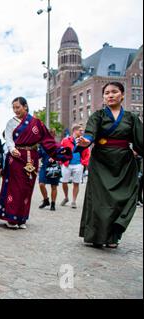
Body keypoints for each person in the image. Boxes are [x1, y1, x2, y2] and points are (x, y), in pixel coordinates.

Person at [77, 82, 143, 248]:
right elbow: (90, 133)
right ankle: (98, 236)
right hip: (101, 161)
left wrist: (137, 149)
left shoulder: (131, 118)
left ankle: (114, 235)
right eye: (107, 93)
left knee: (122, 199)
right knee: (100, 201)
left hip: (124, 163)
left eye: (114, 92)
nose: (110, 95)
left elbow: (140, 140)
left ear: (122, 94)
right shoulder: (97, 116)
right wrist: (86, 141)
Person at [0, 97, 71, 230]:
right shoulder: (11, 123)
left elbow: (47, 140)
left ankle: (21, 218)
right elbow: (8, 138)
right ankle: (11, 217)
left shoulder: (36, 123)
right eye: (13, 108)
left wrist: (59, 151)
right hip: (16, 158)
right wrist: (12, 149)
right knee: (15, 187)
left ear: (25, 106)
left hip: (32, 158)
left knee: (27, 188)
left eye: (18, 107)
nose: (15, 110)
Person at [60, 124, 91, 209]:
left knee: (76, 183)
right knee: (64, 182)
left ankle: (73, 201)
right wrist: (61, 161)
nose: (82, 132)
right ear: (75, 131)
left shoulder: (83, 140)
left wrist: (83, 164)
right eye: (80, 130)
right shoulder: (65, 140)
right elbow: (60, 151)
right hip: (67, 164)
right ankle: (66, 197)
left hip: (78, 165)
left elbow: (87, 153)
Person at [38, 128, 61, 211]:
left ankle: (53, 204)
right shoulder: (42, 145)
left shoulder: (57, 145)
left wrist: (55, 158)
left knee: (53, 186)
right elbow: (39, 155)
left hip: (54, 167)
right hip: (44, 167)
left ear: (54, 136)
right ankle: (46, 200)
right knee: (41, 184)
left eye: (52, 134)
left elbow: (62, 155)